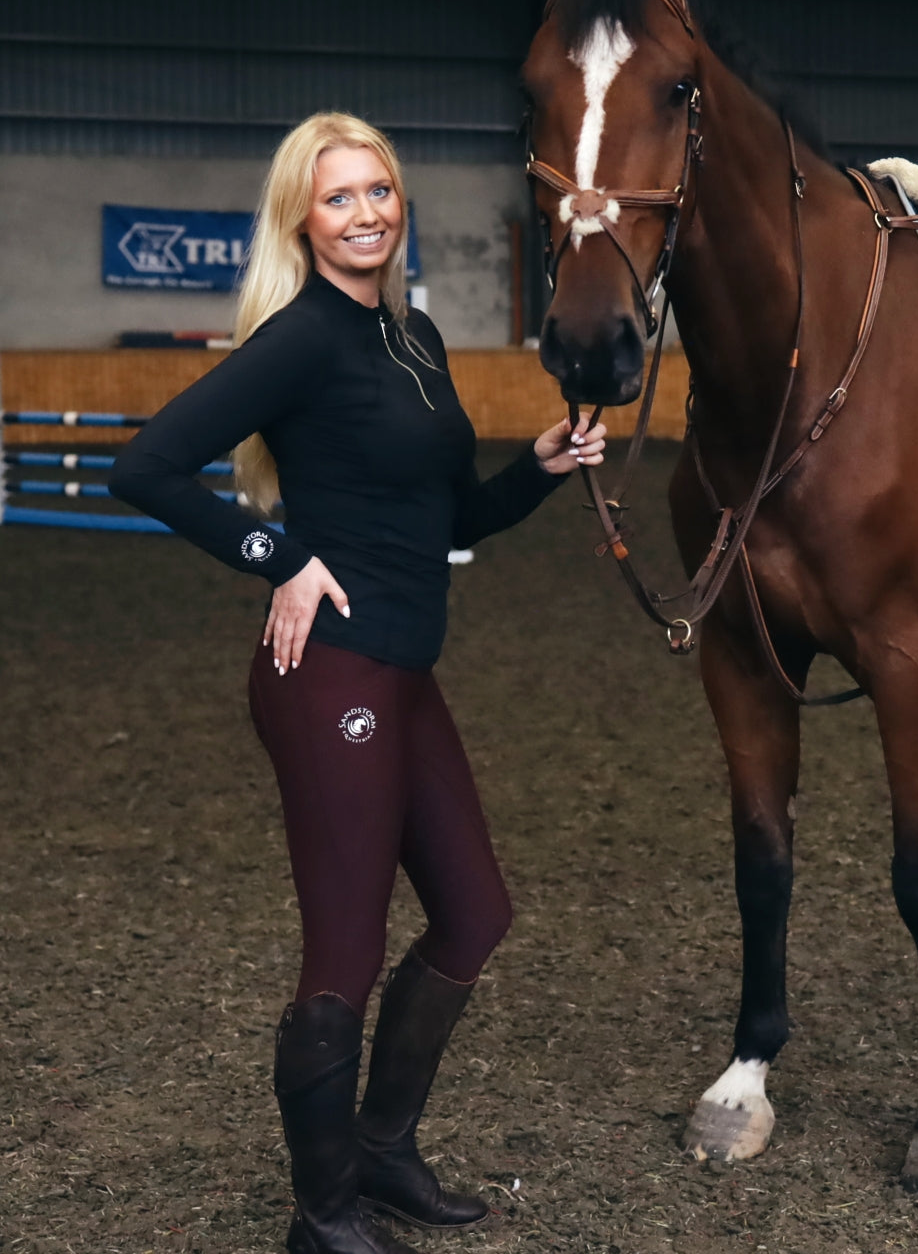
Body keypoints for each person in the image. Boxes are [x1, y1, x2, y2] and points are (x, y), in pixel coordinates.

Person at [109, 112, 606, 1254]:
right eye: (339, 197)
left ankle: (380, 1153)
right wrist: (279, 558)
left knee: (475, 913)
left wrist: (533, 472)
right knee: (343, 953)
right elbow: (147, 465)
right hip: (329, 671)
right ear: (302, 217)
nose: (367, 211)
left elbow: (449, 518)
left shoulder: (414, 336)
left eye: (379, 189)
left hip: (403, 666)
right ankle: (321, 1215)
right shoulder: (301, 339)